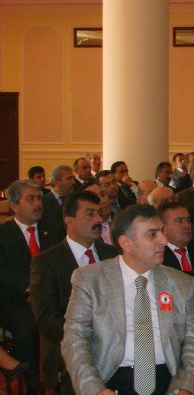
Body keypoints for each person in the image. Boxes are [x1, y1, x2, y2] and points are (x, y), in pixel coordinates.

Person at [61, 204, 194, 395]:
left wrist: (185, 388)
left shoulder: (181, 283)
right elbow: (75, 340)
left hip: (169, 378)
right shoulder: (90, 279)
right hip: (110, 377)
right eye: (152, 234)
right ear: (126, 243)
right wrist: (96, 390)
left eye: (162, 231)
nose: (163, 240)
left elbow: (193, 345)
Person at [30, 191, 118, 394]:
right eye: (90, 214)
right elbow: (46, 319)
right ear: (69, 220)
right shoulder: (47, 262)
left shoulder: (112, 255)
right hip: (69, 343)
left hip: (115, 341)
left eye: (99, 213)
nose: (98, 219)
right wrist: (88, 339)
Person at [0, 180, 62, 394]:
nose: (38, 203)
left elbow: (60, 265)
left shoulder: (54, 230)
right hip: (17, 300)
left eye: (39, 198)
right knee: (27, 329)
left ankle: (59, 379)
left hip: (50, 298)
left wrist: (43, 292)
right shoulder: (3, 234)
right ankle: (33, 384)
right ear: (14, 205)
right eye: (30, 199)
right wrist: (29, 289)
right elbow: (2, 270)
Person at [42, 164, 76, 236]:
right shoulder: (42, 202)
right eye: (69, 179)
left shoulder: (76, 201)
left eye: (73, 178)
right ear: (56, 181)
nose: (73, 182)